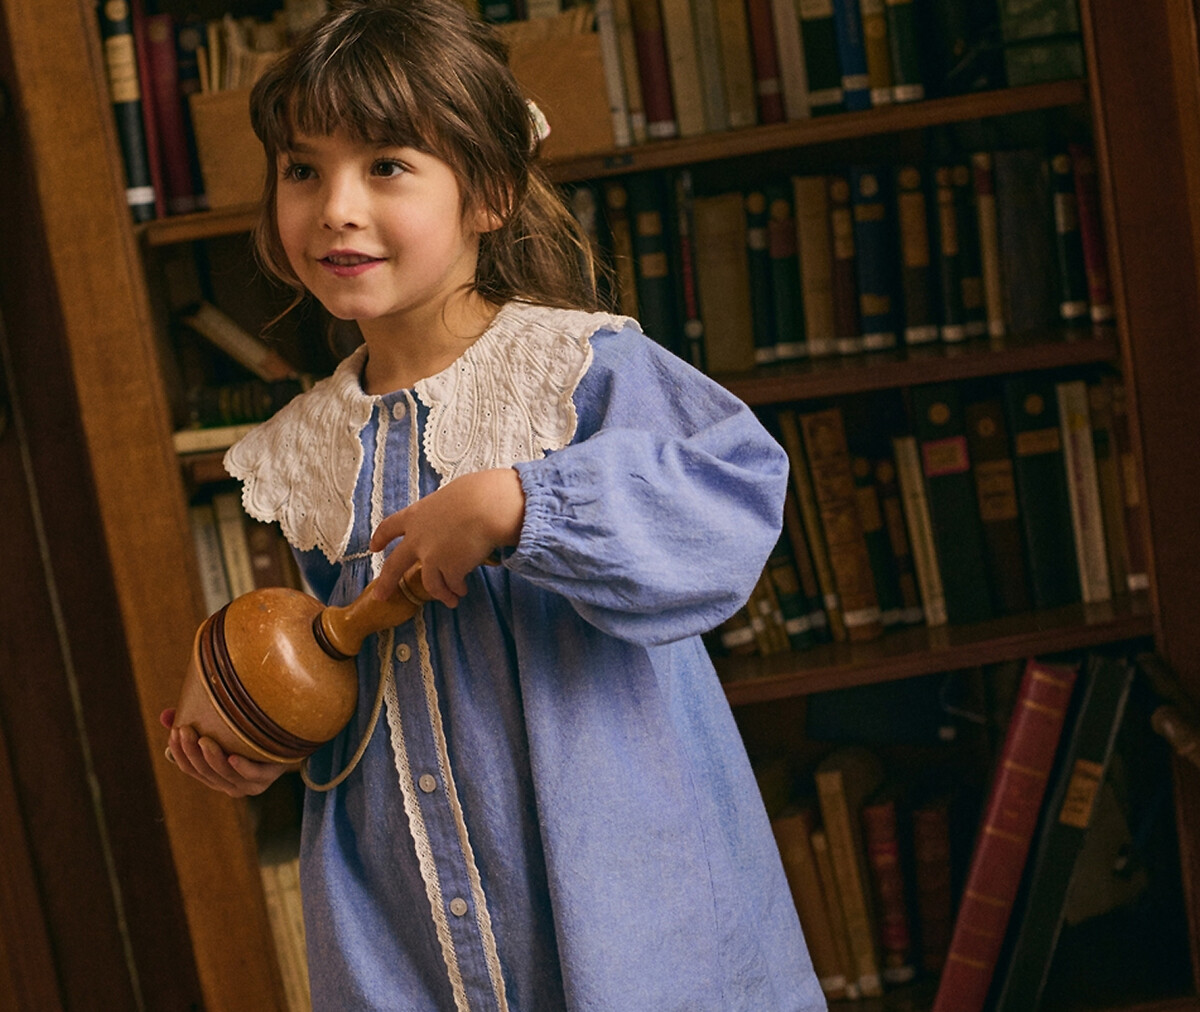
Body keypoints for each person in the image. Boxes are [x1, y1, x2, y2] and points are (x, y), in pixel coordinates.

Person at [161, 1, 826, 1008]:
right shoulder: (306, 448)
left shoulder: (578, 371)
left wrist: (526, 504)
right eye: (303, 169)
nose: (335, 206)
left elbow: (733, 502)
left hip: (629, 918)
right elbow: (360, 681)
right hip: (405, 933)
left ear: (490, 193)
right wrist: (266, 737)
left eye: (385, 164)